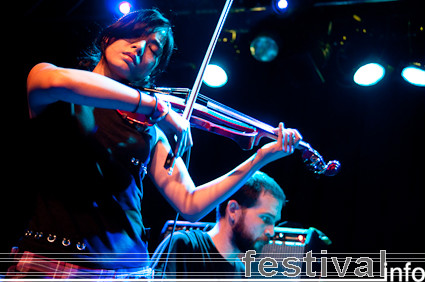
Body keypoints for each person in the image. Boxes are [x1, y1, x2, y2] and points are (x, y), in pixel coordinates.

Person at [7, 9, 302, 279]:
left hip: (131, 270)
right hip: (53, 264)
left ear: (152, 70)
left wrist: (261, 157)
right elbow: (58, 81)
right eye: (133, 35)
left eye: (153, 48)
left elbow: (190, 203)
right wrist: (155, 106)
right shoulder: (54, 84)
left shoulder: (148, 130)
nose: (139, 47)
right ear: (108, 38)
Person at [152, 171, 286, 279]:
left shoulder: (243, 274)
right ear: (233, 210)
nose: (271, 231)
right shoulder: (184, 246)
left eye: (275, 222)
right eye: (266, 218)